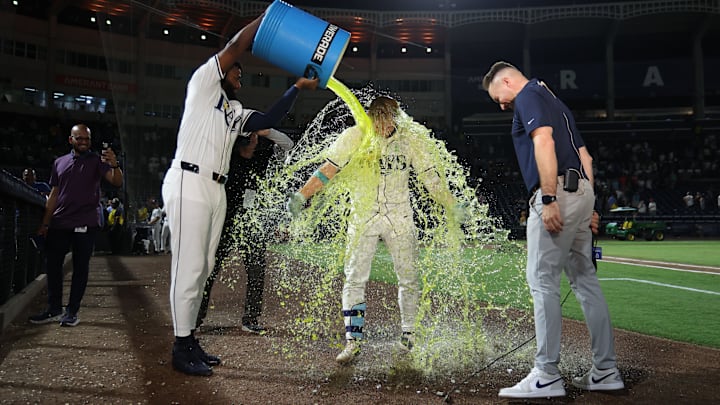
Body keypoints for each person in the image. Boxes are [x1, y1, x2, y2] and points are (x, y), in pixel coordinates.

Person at [161, 11, 318, 377]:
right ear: (222, 71)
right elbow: (235, 46)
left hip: (217, 188)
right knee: (191, 266)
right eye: (236, 71)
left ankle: (191, 336)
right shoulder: (203, 83)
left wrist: (296, 88)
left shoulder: (233, 110)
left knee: (206, 267)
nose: (239, 74)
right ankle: (180, 344)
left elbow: (266, 121)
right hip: (189, 180)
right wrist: (267, 19)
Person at [286, 96, 465, 364]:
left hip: (399, 215)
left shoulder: (410, 138)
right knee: (354, 277)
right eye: (377, 121)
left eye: (387, 120)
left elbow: (431, 179)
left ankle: (409, 336)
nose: (382, 127)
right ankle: (353, 341)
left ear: (396, 117)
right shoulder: (356, 135)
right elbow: (328, 170)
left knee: (408, 277)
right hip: (363, 215)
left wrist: (452, 205)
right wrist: (303, 195)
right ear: (369, 117)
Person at [482, 61, 624, 399]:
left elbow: (543, 142)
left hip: (557, 192)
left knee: (542, 279)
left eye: (498, 97)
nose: (502, 105)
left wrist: (548, 198)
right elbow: (585, 157)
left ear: (506, 80)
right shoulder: (554, 100)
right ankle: (605, 370)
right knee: (586, 281)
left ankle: (546, 373)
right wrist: (590, 206)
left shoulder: (529, 94)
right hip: (581, 192)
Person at [196, 128, 294, 333]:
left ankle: (251, 319)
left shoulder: (262, 159)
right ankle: (195, 317)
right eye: (250, 135)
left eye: (255, 135)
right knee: (209, 270)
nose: (254, 139)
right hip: (224, 222)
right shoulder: (225, 160)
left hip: (251, 223)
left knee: (257, 271)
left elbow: (288, 145)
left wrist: (268, 131)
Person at [28, 124, 123, 327]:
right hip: (60, 222)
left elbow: (116, 182)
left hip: (85, 223)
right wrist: (45, 222)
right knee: (53, 266)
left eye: (86, 139)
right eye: (79, 138)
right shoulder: (59, 162)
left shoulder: (98, 161)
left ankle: (71, 311)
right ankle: (54, 309)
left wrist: (115, 165)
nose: (83, 142)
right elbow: (54, 194)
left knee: (81, 267)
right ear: (71, 139)